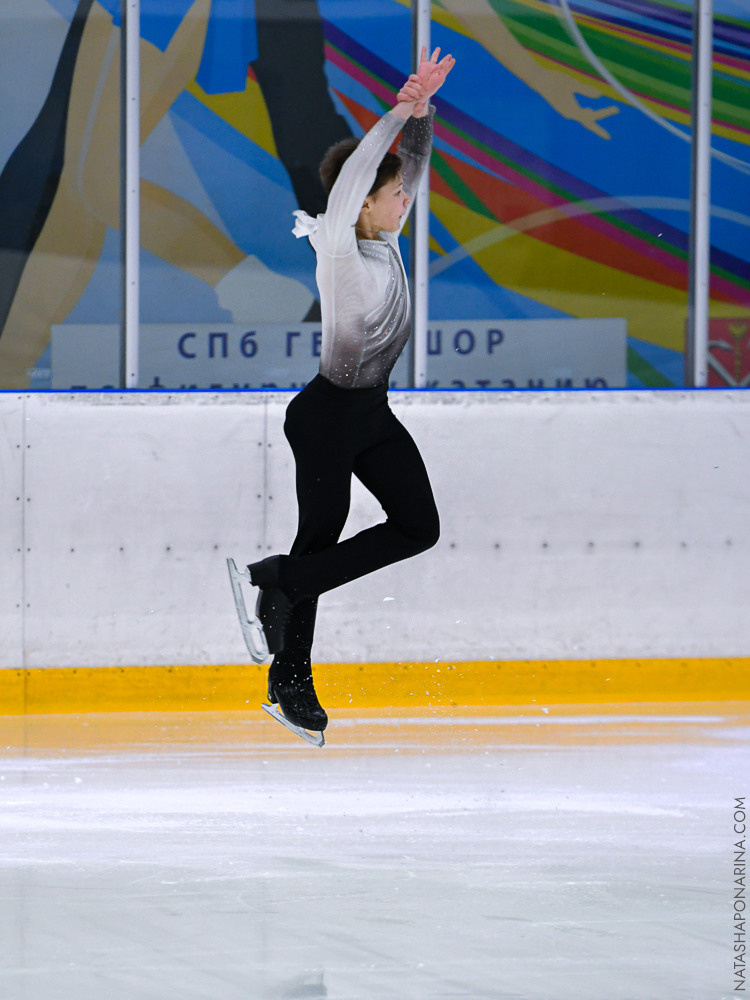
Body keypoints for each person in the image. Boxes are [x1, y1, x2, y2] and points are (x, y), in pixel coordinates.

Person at [244, 46, 456, 736]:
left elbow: (408, 166)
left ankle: (283, 579)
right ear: (362, 201)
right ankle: (291, 682)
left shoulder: (384, 240)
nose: (406, 199)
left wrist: (422, 114)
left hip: (370, 412)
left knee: (418, 527)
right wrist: (395, 114)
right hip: (327, 416)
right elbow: (365, 170)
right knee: (318, 540)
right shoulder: (339, 246)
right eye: (394, 195)